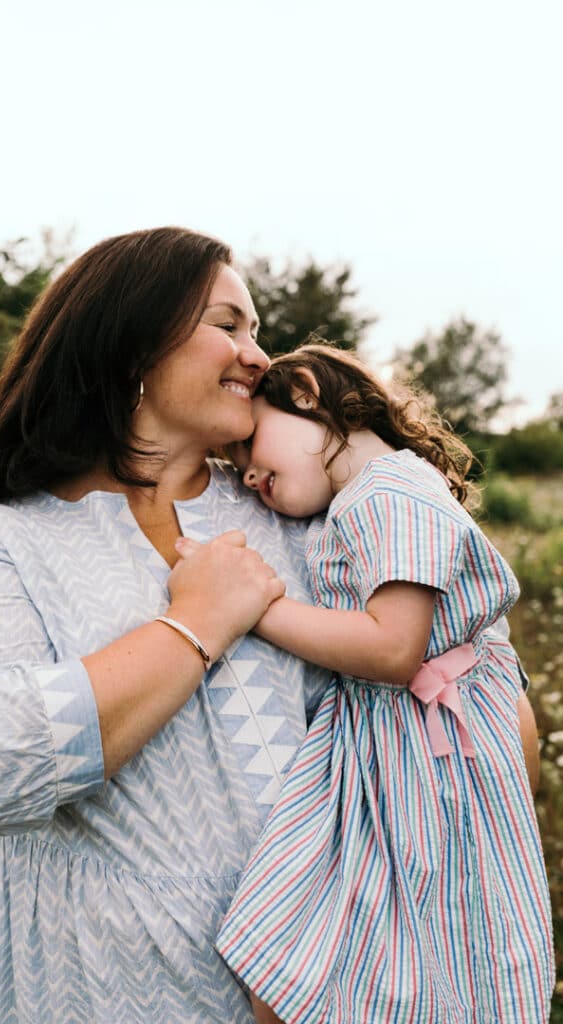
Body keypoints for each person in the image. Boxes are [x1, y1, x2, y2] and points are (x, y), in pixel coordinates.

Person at [0, 228, 332, 1024]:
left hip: (315, 989)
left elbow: (463, 694)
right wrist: (193, 625)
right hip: (80, 991)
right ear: (129, 345)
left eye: (256, 331)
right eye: (227, 324)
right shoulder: (0, 544)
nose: (259, 356)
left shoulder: (301, 521)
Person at [210, 344, 554, 1024]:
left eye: (249, 441)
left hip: (429, 753)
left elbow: (394, 648)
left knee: (435, 947)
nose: (247, 472)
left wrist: (251, 606)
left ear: (305, 393)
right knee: (302, 960)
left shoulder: (388, 491)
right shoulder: (363, 497)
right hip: (388, 746)